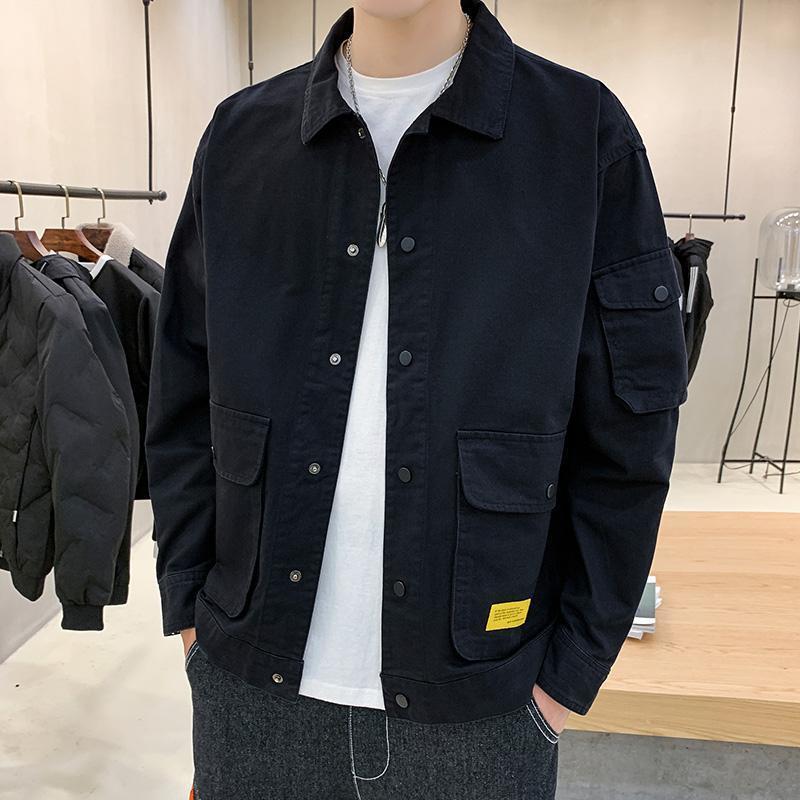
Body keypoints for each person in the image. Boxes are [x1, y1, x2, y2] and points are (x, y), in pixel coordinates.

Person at [145, 0, 688, 797]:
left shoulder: (582, 134)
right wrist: (191, 610)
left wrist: (568, 675)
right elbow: (182, 396)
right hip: (248, 687)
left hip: (485, 706)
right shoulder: (239, 136)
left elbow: (632, 429)